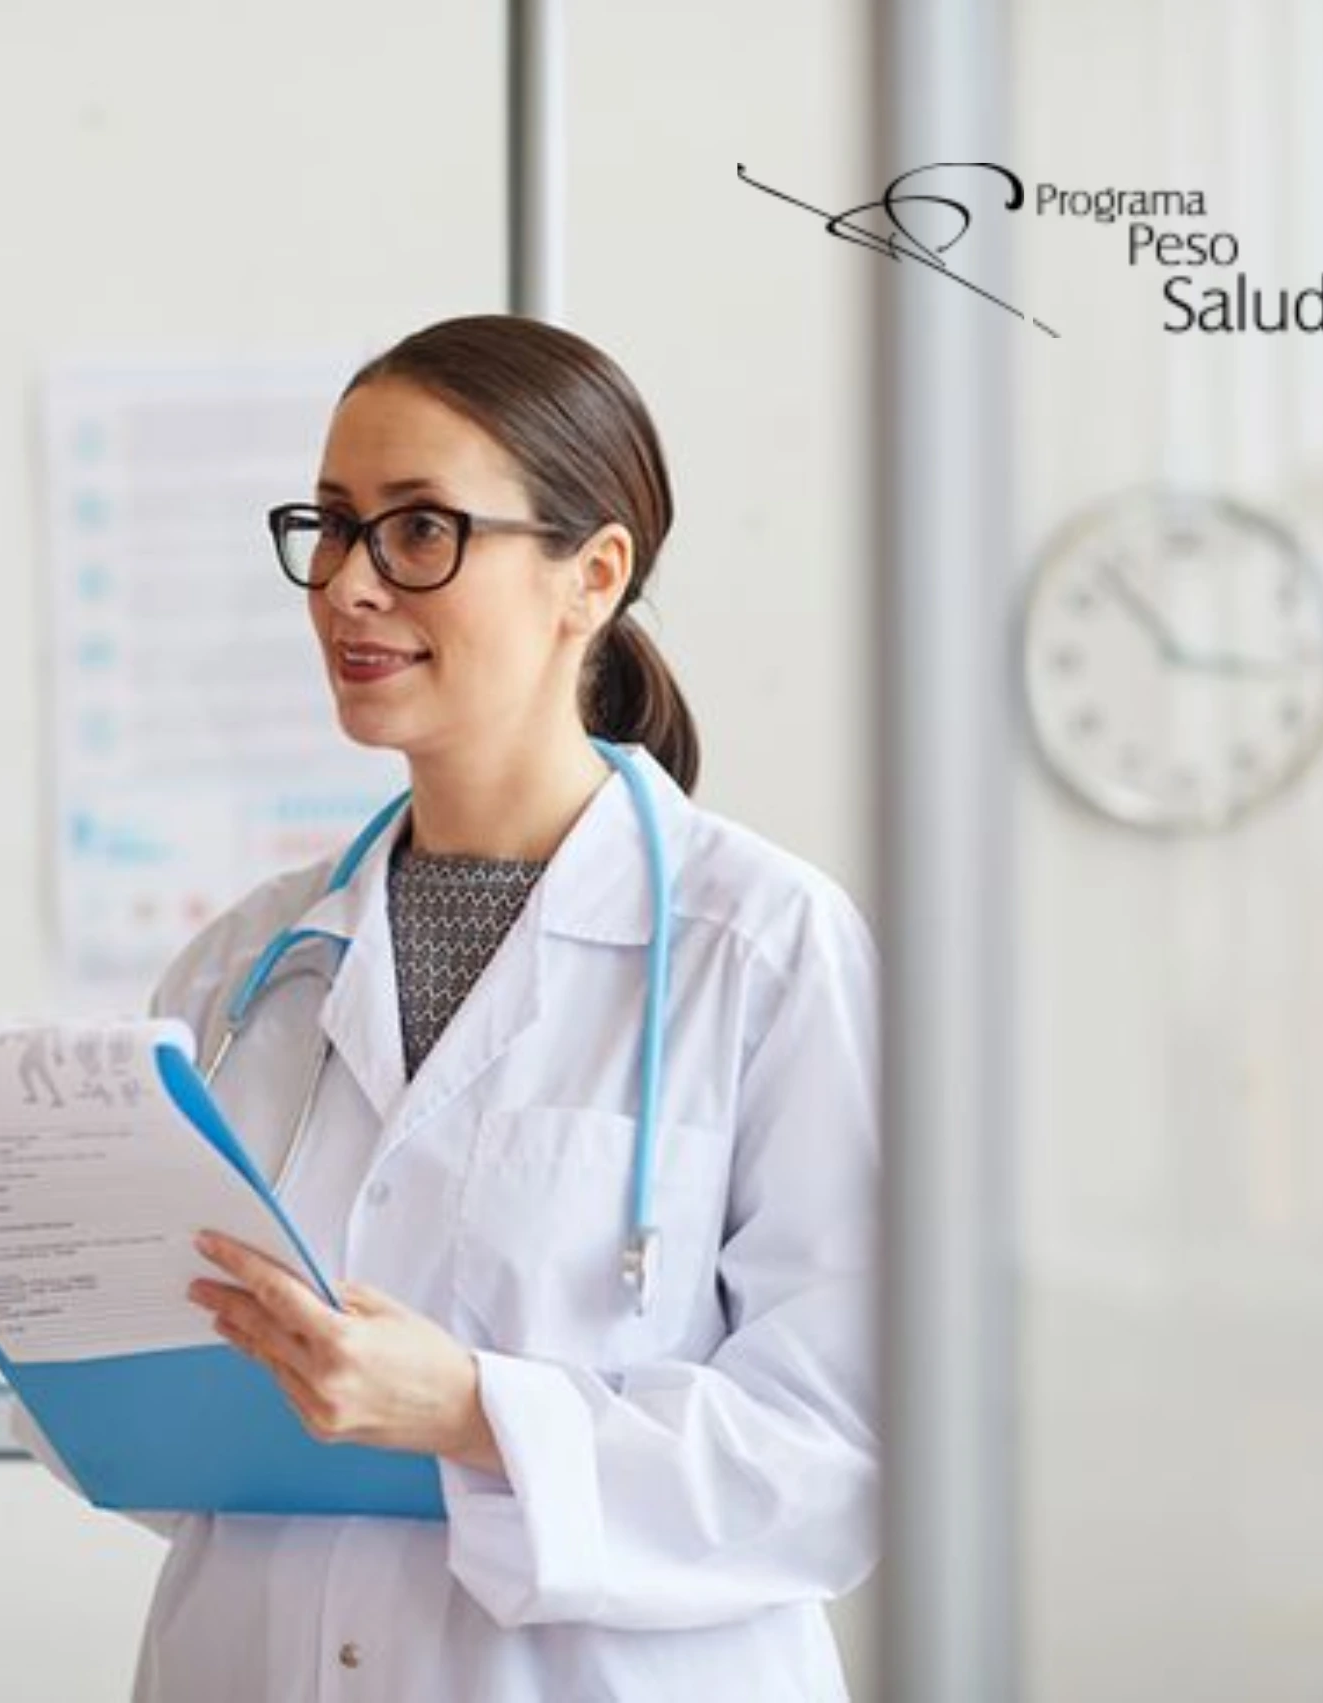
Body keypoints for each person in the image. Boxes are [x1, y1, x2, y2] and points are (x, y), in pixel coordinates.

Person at [94, 315, 881, 1700]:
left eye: (418, 532)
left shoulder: (761, 948)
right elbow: (161, 1450)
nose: (348, 585)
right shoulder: (244, 968)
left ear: (592, 575)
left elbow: (842, 1457)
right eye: (330, 527)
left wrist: (469, 1413)